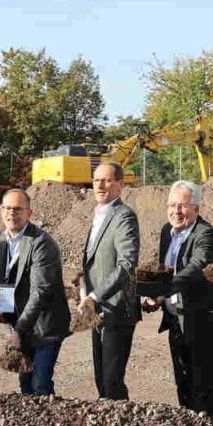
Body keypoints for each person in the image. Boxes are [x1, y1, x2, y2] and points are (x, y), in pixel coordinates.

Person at [141, 181, 213, 417]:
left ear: (196, 209)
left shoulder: (207, 235)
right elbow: (166, 270)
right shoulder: (166, 231)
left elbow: (196, 268)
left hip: (205, 318)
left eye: (183, 206)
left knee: (201, 385)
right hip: (176, 318)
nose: (176, 211)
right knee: (182, 381)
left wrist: (164, 291)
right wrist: (154, 296)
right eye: (172, 205)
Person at [0, 188, 70, 395]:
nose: (12, 213)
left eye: (18, 209)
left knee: (40, 382)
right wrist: (3, 307)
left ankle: (52, 423)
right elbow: (5, 278)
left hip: (46, 326)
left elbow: (41, 291)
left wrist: (18, 330)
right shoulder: (3, 239)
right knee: (25, 381)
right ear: (1, 211)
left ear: (30, 213)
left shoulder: (41, 243)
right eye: (8, 208)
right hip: (24, 323)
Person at [80, 162, 140, 401]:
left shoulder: (124, 216)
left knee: (112, 381)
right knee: (101, 379)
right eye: (96, 181)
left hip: (117, 309)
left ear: (120, 185)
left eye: (106, 180)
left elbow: (126, 265)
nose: (100, 185)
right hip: (99, 311)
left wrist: (95, 296)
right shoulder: (98, 214)